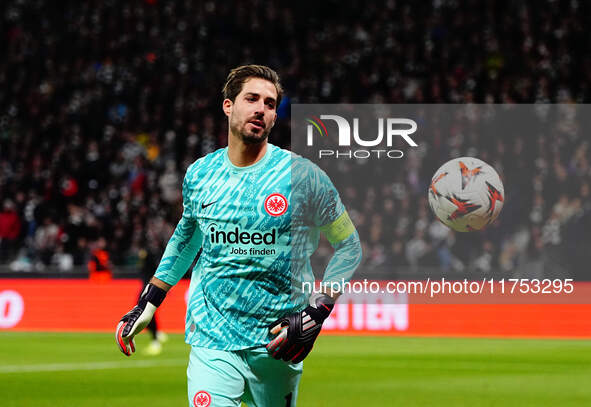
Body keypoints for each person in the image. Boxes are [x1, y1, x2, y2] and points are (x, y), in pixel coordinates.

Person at [115, 65, 362, 407]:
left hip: (277, 342)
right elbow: (187, 237)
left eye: (271, 103)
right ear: (228, 106)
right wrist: (151, 299)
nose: (261, 108)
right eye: (252, 99)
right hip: (211, 336)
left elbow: (349, 247)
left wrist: (317, 312)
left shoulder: (304, 177)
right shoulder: (201, 174)